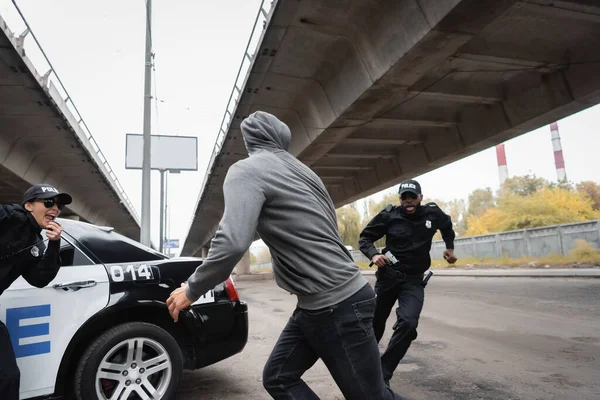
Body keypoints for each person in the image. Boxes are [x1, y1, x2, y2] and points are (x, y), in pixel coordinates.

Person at [167, 111, 405, 399]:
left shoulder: (247, 170)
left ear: (249, 141)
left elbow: (232, 243)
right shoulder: (305, 172)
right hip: (319, 305)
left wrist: (192, 289)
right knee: (279, 377)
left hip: (336, 305)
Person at [358, 179, 457, 386]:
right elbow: (365, 238)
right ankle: (363, 368)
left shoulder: (432, 214)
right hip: (387, 278)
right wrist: (374, 255)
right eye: (405, 197)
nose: (409, 201)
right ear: (400, 199)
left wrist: (450, 248)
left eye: (413, 196)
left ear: (420, 197)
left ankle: (383, 372)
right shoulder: (389, 215)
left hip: (413, 281)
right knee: (375, 324)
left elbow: (447, 226)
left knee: (409, 324)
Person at [0, 184, 71, 400]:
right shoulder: (10, 215)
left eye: (58, 205)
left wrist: (55, 245)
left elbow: (40, 279)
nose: (55, 208)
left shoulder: (38, 243)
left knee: (8, 377)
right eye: (48, 202)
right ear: (29, 206)